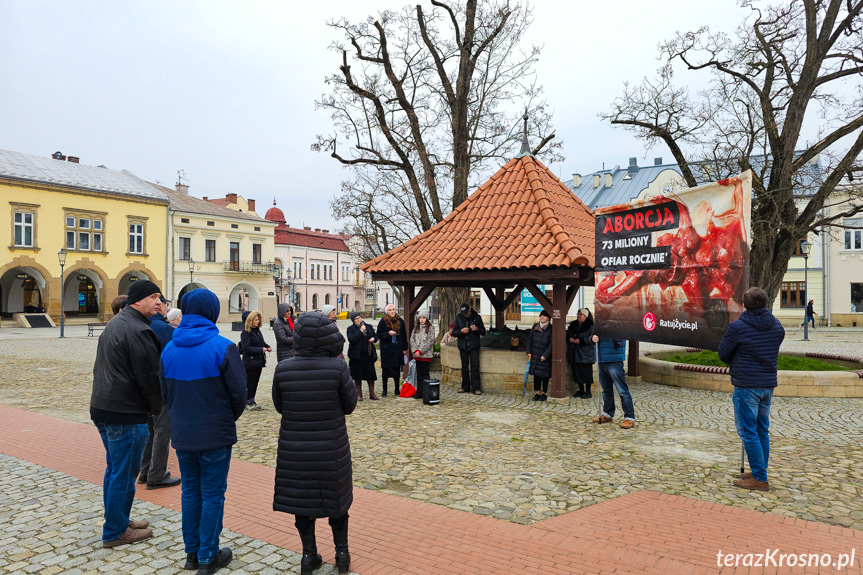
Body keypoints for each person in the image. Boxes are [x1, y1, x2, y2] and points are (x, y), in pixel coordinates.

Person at [161, 288, 247, 573]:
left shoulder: (169, 349)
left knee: (190, 493)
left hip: (183, 433)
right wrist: (225, 418)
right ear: (213, 312)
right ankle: (208, 556)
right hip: (214, 433)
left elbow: (165, 393)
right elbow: (239, 394)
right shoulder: (222, 347)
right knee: (212, 495)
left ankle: (191, 553)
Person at [272, 312, 358, 575]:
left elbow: (279, 406)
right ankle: (341, 553)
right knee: (337, 502)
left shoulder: (283, 368)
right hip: (331, 448)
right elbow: (350, 404)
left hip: (295, 449)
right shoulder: (337, 367)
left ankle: (309, 555)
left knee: (302, 502)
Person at [90, 280, 163, 547]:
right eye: (153, 297)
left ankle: (118, 519)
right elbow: (150, 379)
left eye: (159, 297)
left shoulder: (118, 323)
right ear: (138, 300)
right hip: (125, 411)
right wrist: (156, 410)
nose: (158, 302)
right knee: (122, 473)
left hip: (104, 407)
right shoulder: (138, 330)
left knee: (115, 470)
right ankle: (115, 532)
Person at [718, 286, 785, 492]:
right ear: (765, 303)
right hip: (767, 384)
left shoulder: (737, 328)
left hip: (747, 385)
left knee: (748, 431)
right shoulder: (777, 326)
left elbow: (723, 354)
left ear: (745, 305)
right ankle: (759, 469)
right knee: (761, 429)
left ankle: (759, 477)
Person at [138, 296, 182, 490]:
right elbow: (172, 358)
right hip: (160, 387)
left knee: (150, 431)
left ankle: (145, 471)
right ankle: (156, 474)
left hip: (143, 387)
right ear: (162, 307)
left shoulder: (140, 325)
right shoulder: (163, 329)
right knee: (162, 430)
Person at [590, 335, 635, 429]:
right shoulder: (599, 324)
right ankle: (608, 414)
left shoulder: (618, 324)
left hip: (614, 359)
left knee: (622, 391)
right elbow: (590, 336)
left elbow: (620, 340)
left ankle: (629, 417)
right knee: (606, 391)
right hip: (601, 359)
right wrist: (592, 338)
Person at [239, 310, 271, 411]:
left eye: (258, 319)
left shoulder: (257, 330)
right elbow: (246, 348)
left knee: (255, 382)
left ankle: (252, 400)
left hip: (258, 361)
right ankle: (246, 401)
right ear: (250, 320)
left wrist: (267, 346)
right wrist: (261, 350)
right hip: (250, 362)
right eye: (256, 320)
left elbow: (261, 342)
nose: (258, 321)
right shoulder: (246, 332)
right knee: (249, 382)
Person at [452, 303, 486, 394]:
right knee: (464, 367)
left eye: (466, 312)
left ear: (470, 309)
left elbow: (483, 332)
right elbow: (454, 332)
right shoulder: (459, 317)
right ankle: (465, 386)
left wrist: (477, 328)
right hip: (463, 345)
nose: (465, 314)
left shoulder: (477, 317)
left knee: (475, 366)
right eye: (464, 313)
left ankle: (476, 388)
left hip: (473, 345)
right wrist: (461, 331)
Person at [376, 304, 408, 396]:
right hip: (386, 350)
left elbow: (404, 335)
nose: (392, 311)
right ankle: (384, 390)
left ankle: (397, 390)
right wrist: (387, 333)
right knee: (385, 372)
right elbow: (379, 334)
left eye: (393, 309)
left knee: (396, 371)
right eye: (390, 310)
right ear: (387, 311)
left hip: (397, 349)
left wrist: (405, 348)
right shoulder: (383, 321)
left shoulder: (400, 321)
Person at [346, 311, 379, 400]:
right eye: (356, 319)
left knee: (370, 375)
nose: (359, 320)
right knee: (357, 376)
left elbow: (375, 336)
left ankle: (372, 394)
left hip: (368, 354)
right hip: (356, 355)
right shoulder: (350, 329)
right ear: (353, 320)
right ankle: (359, 394)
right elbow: (352, 339)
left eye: (359, 318)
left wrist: (374, 339)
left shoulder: (368, 326)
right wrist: (360, 331)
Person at [567, 308, 596, 399]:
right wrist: (570, 338)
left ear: (585, 316)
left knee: (586, 373)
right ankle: (581, 390)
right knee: (577, 372)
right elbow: (568, 334)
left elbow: (592, 338)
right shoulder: (573, 324)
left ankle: (588, 391)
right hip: (575, 352)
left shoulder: (591, 325)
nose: (578, 316)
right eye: (578, 314)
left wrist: (581, 341)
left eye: (581, 314)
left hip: (585, 353)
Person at [525, 310, 553, 401]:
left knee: (545, 375)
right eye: (541, 315)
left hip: (545, 356)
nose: (542, 317)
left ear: (548, 318)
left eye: (544, 316)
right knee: (536, 375)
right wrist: (528, 351)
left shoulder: (551, 329)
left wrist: (546, 355)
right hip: (535, 355)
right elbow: (529, 340)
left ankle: (545, 393)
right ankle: (537, 393)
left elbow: (552, 344)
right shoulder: (535, 327)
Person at [409, 309, 435, 400]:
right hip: (417, 356)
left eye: (424, 318)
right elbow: (412, 340)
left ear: (427, 318)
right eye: (420, 318)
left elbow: (430, 341)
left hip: (425, 355)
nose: (422, 320)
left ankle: (426, 392)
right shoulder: (416, 328)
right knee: (419, 375)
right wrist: (415, 350)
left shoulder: (431, 328)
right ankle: (419, 392)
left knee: (425, 374)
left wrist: (420, 351)